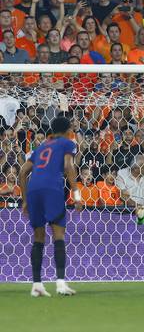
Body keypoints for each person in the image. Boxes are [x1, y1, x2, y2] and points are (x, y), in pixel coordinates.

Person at [18, 116, 81, 297]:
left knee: (38, 237)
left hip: (34, 191)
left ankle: (36, 284)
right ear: (68, 130)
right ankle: (60, 283)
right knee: (58, 235)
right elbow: (69, 166)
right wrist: (76, 195)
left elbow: (23, 172)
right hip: (52, 189)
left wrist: (25, 200)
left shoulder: (41, 147)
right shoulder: (67, 143)